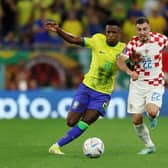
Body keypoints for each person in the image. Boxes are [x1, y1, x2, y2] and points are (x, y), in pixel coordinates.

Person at [44, 19, 125, 155]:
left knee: (87, 120)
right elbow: (73, 40)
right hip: (86, 88)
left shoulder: (124, 48)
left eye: (114, 32)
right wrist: (58, 30)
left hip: (103, 94)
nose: (110, 35)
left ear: (119, 33)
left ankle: (56, 146)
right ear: (105, 32)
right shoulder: (97, 40)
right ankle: (62, 141)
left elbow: (132, 62)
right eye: (108, 32)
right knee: (71, 122)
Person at [117, 17, 168, 155]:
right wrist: (129, 71)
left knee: (151, 111)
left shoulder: (160, 39)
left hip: (155, 83)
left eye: (145, 29)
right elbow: (120, 60)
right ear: (136, 30)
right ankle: (149, 145)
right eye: (139, 30)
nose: (142, 32)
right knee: (136, 119)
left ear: (149, 28)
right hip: (137, 85)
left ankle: (153, 117)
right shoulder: (132, 44)